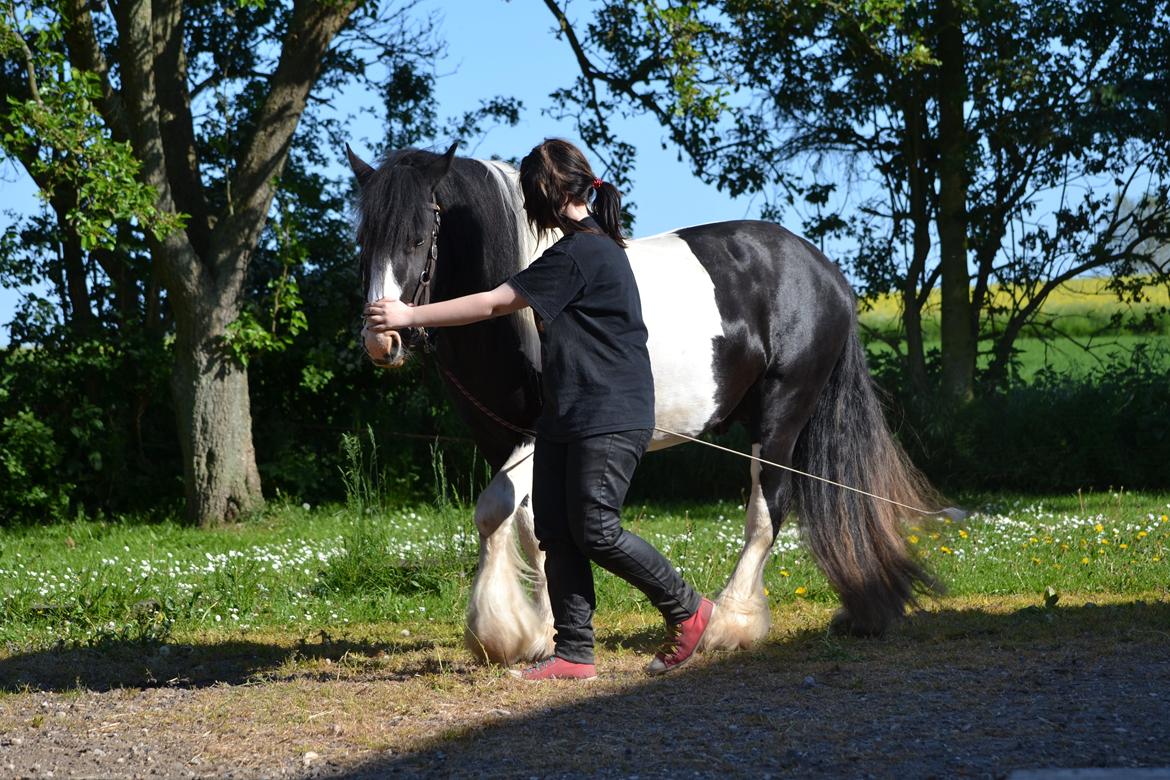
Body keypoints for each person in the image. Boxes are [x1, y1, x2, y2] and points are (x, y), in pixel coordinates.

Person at [364, 138, 713, 680]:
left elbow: (494, 302)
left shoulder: (582, 254)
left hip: (609, 413)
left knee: (596, 530)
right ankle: (574, 653)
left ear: (542, 198)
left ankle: (689, 609)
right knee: (553, 529)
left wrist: (409, 315)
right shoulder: (576, 251)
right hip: (566, 413)